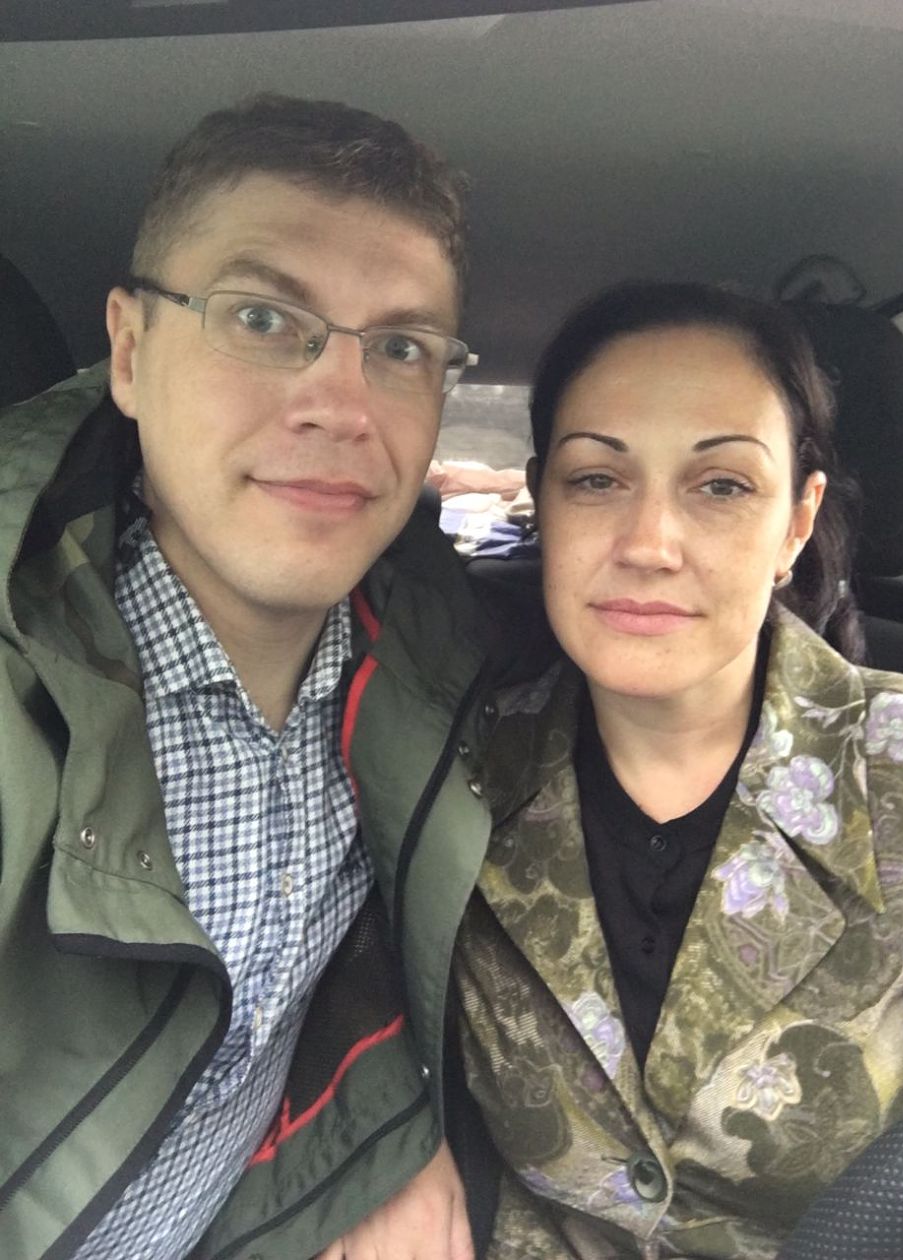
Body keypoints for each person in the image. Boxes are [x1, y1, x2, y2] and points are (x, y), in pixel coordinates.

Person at [0, 93, 494, 1260]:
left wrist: (395, 1137)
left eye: (401, 348)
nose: (342, 406)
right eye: (264, 318)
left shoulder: (428, 673)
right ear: (129, 352)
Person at [428, 281, 903, 1258]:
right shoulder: (453, 770)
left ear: (797, 523)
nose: (648, 545)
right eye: (596, 479)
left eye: (721, 486)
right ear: (542, 501)